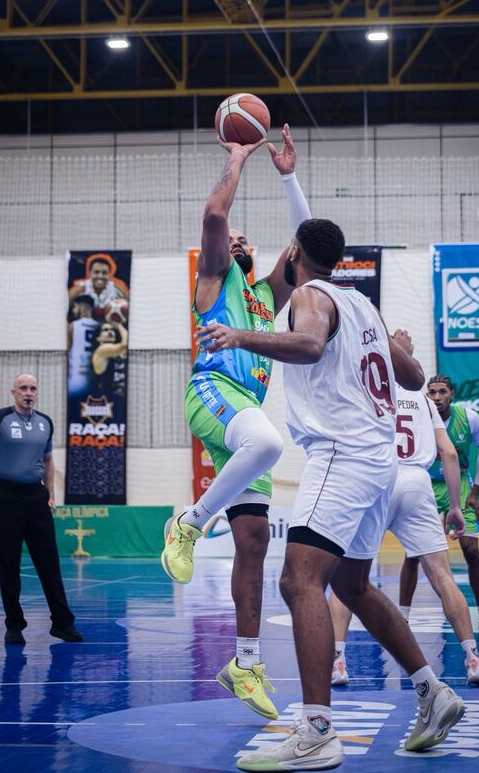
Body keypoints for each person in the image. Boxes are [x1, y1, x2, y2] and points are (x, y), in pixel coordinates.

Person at [198, 220, 465, 769]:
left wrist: (240, 336)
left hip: (341, 454)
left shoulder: (309, 297)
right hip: (380, 462)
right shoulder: (362, 304)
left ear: (294, 250)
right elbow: (414, 376)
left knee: (299, 581)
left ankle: (317, 731)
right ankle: (432, 692)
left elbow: (310, 344)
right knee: (353, 585)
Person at [160, 124, 311, 722]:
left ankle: (245, 664)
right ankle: (189, 524)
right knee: (270, 441)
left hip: (243, 415)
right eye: (234, 238)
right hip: (211, 392)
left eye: (247, 239)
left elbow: (306, 246)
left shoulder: (265, 298)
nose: (239, 239)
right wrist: (240, 157)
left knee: (253, 543)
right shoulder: (213, 282)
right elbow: (215, 214)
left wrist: (288, 177)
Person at [329, 381, 479, 689]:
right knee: (442, 576)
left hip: (376, 480)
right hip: (416, 483)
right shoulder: (423, 402)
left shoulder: (366, 390)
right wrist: (456, 506)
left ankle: (337, 662)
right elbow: (449, 453)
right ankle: (473, 659)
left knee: (347, 577)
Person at [0, 373, 83, 647]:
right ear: (14, 392)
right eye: (23, 388)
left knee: (49, 561)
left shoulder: (45, 423)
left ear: (37, 393)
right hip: (5, 496)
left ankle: (62, 623)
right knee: (9, 563)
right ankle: (14, 626)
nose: (28, 392)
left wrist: (51, 495)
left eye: (32, 388)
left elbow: (48, 460)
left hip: (36, 497)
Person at [400, 374, 479, 644]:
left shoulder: (470, 418)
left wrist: (475, 491)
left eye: (442, 391)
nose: (437, 397)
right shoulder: (418, 415)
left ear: (452, 394)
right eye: (432, 392)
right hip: (426, 483)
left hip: (460, 482)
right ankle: (402, 619)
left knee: (471, 550)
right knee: (413, 554)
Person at [67, 294, 100, 398]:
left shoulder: (73, 326)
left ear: (83, 307)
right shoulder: (99, 326)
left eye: (75, 307)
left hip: (76, 381)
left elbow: (66, 352)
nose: (73, 311)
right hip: (95, 381)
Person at [92, 321, 128, 398]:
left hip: (120, 397)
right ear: (98, 338)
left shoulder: (118, 351)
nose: (110, 332)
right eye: (106, 330)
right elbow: (125, 345)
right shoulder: (101, 350)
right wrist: (118, 325)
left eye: (112, 329)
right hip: (108, 398)